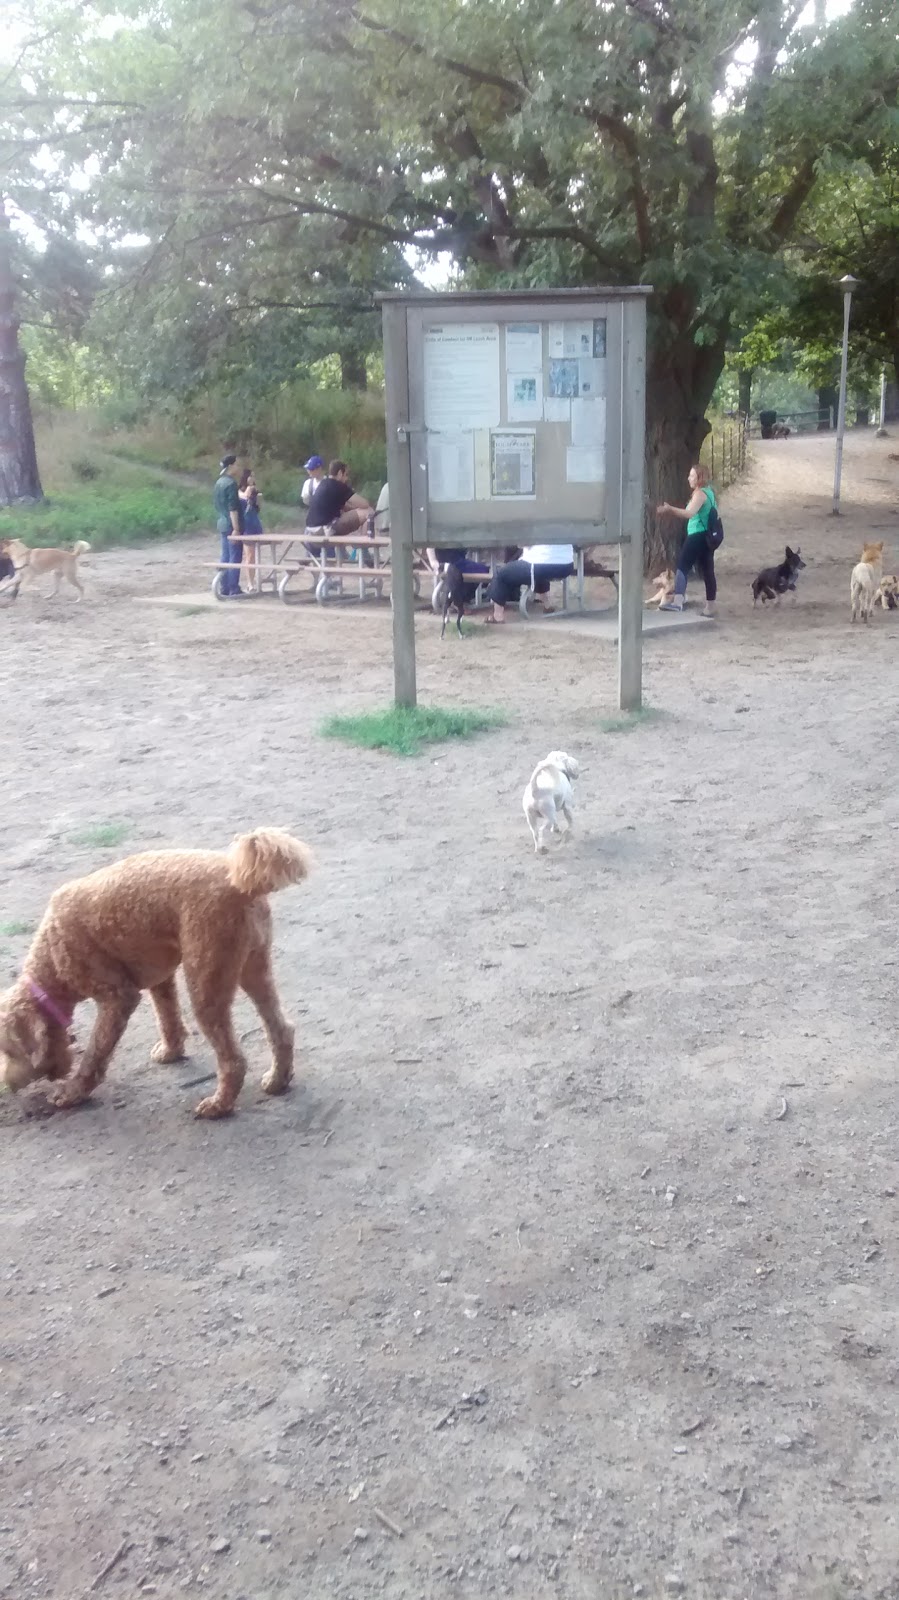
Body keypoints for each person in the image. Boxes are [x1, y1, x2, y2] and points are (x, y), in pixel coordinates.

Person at [657, 464, 719, 618]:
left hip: (697, 535)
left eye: (692, 476)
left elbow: (689, 513)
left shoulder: (700, 494)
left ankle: (677, 603)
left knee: (682, 566)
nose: (688, 478)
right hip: (707, 537)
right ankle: (710, 607)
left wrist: (670, 509)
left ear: (700, 478)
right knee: (708, 570)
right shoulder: (709, 493)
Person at [485, 542, 575, 623]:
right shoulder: (568, 523)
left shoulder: (534, 524)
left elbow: (523, 543)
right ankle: (548, 605)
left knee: (502, 574)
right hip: (566, 565)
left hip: (539, 564)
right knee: (538, 572)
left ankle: (498, 616)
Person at [305, 460, 373, 554]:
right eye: (346, 474)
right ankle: (363, 549)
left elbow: (345, 507)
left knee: (360, 513)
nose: (346, 478)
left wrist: (354, 510)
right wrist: (358, 509)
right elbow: (365, 504)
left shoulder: (324, 484)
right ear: (340, 473)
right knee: (369, 512)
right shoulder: (339, 486)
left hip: (310, 530)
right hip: (325, 529)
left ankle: (361, 551)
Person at [213, 454, 244, 598]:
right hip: (231, 523)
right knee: (234, 556)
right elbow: (233, 508)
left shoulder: (219, 482)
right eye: (237, 464)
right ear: (231, 466)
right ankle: (233, 587)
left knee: (225, 555)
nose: (239, 467)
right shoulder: (231, 484)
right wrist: (236, 528)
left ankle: (224, 586)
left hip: (222, 522)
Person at [239, 467, 263, 592]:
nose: (252, 478)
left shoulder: (254, 491)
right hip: (247, 525)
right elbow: (243, 498)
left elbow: (258, 508)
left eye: (253, 476)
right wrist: (248, 494)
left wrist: (257, 498)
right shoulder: (240, 492)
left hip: (255, 523)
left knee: (256, 555)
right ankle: (250, 583)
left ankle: (256, 581)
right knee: (249, 555)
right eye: (250, 476)